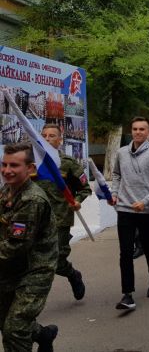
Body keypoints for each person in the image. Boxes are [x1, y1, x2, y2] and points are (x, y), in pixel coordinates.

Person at [0, 142, 59, 351]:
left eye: (14, 166)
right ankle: (43, 335)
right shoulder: (7, 191)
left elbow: (15, 246)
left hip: (35, 270)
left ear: (31, 169)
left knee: (14, 330)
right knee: (7, 321)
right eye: (4, 164)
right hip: (10, 268)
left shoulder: (31, 199)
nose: (7, 171)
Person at [109, 117, 149, 311]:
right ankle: (127, 294)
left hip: (145, 208)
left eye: (142, 129)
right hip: (125, 208)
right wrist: (115, 193)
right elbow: (116, 174)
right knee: (125, 251)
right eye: (135, 129)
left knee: (147, 243)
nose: (138, 132)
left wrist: (146, 201)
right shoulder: (121, 152)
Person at [36, 124, 91, 301]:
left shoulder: (67, 163)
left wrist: (77, 201)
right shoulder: (32, 163)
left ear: (59, 141)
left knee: (58, 261)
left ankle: (73, 275)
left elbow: (85, 188)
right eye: (43, 135)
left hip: (60, 219)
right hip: (35, 219)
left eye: (51, 136)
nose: (46, 138)